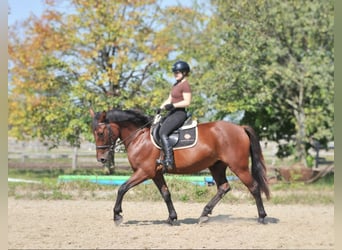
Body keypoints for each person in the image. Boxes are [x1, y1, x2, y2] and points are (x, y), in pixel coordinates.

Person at [158, 60, 192, 172]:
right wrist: (161, 107)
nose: (175, 74)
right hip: (172, 112)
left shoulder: (185, 85)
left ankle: (169, 160)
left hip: (179, 113)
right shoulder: (175, 85)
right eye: (174, 72)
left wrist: (173, 105)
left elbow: (187, 102)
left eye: (177, 72)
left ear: (184, 72)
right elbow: (169, 99)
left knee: (163, 132)